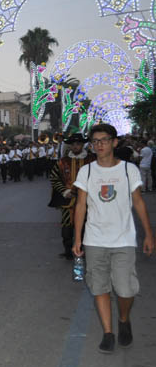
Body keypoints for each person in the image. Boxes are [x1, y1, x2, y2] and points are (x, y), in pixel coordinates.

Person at [72, 123, 154, 354]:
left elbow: (138, 202)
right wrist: (77, 238)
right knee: (99, 287)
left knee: (126, 289)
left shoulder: (129, 170)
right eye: (95, 141)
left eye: (104, 140)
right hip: (95, 239)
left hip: (123, 240)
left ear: (114, 142)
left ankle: (124, 320)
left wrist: (149, 234)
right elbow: (80, 206)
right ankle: (108, 333)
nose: (99, 145)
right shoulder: (86, 171)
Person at [48, 133, 95, 259]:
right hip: (68, 201)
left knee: (86, 226)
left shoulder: (91, 160)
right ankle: (68, 250)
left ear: (82, 145)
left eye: (78, 144)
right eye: (73, 144)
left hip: (87, 201)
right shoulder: (63, 162)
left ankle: (82, 249)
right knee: (66, 228)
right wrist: (65, 191)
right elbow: (54, 178)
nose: (75, 146)